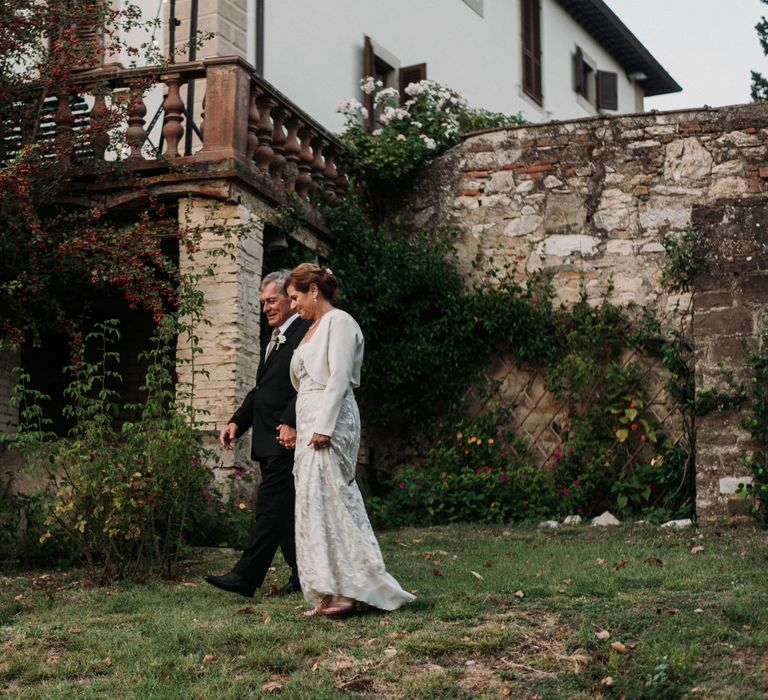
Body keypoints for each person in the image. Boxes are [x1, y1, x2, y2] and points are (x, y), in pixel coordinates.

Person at [285, 263, 415, 617]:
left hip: (331, 419)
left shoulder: (339, 322)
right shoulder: (308, 329)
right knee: (312, 502)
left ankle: (354, 587)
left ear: (314, 289)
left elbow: (340, 376)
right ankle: (326, 589)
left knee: (333, 497)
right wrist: (299, 424)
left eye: (295, 298)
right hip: (309, 419)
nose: (292, 306)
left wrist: (323, 425)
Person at [203, 270, 311, 598]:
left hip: (286, 437)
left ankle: (246, 577)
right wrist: (237, 421)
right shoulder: (276, 336)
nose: (266, 307)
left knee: (269, 506)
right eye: (263, 302)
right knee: (286, 512)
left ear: (292, 300)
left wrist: (291, 420)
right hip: (267, 439)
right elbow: (261, 389)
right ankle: (304, 576)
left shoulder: (307, 332)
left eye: (273, 300)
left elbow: (309, 383)